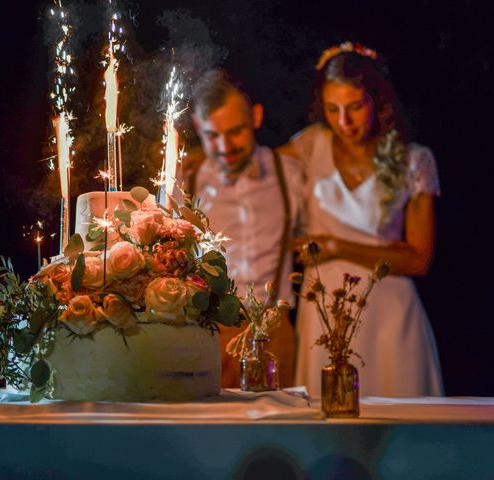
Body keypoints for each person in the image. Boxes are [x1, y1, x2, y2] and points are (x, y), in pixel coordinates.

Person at [277, 42, 444, 397]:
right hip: (323, 308)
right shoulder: (308, 147)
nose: (344, 121)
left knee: (398, 426)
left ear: (377, 101)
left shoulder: (414, 160)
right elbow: (255, 185)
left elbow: (419, 258)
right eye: (332, 109)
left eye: (354, 107)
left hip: (389, 311)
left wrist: (335, 246)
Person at [187, 70, 304, 388]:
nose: (225, 146)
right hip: (211, 333)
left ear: (256, 116)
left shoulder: (290, 174)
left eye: (235, 131)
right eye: (212, 135)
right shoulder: (186, 182)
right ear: (198, 127)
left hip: (276, 332)